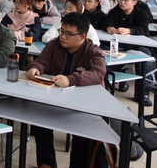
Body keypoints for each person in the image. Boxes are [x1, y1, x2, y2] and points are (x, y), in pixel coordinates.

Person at [26, 13, 106, 168]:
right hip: (56, 99)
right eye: (61, 31)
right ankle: (46, 164)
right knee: (39, 120)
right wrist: (35, 68)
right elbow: (42, 61)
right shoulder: (54, 44)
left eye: (69, 34)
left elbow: (98, 73)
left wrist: (70, 79)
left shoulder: (93, 51)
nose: (63, 36)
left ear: (82, 36)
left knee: (83, 132)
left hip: (84, 104)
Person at [104, 0, 153, 105]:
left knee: (147, 60)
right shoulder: (115, 11)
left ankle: (144, 93)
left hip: (137, 46)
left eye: (126, 0)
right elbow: (106, 22)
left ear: (134, 2)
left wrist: (130, 31)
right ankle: (110, 84)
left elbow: (144, 30)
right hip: (118, 45)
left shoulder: (141, 13)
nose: (122, 2)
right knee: (103, 55)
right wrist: (109, 28)